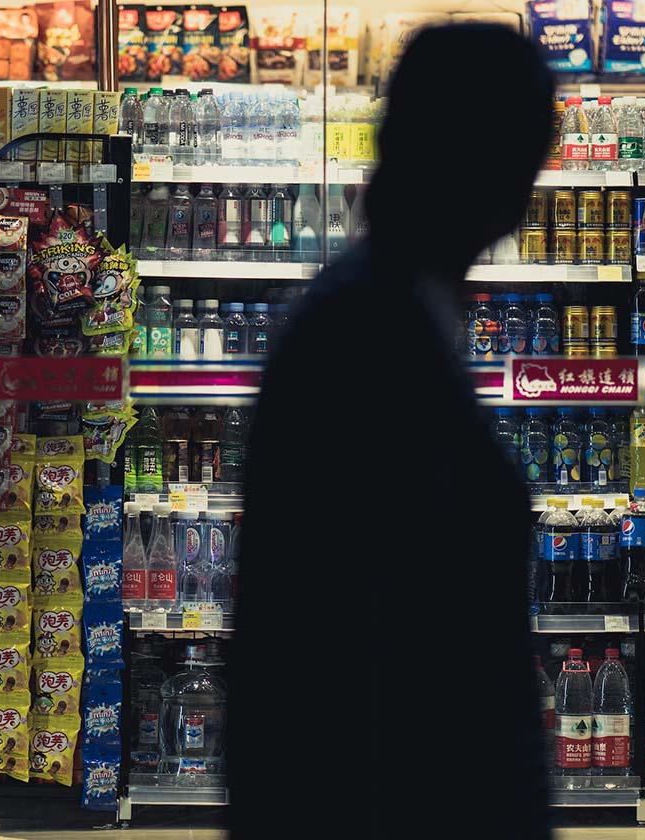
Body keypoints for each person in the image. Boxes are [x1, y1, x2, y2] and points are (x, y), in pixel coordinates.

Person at [230, 25, 554, 838]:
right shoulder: (364, 332)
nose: (533, 176)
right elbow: (335, 645)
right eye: (525, 142)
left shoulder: (394, 307)